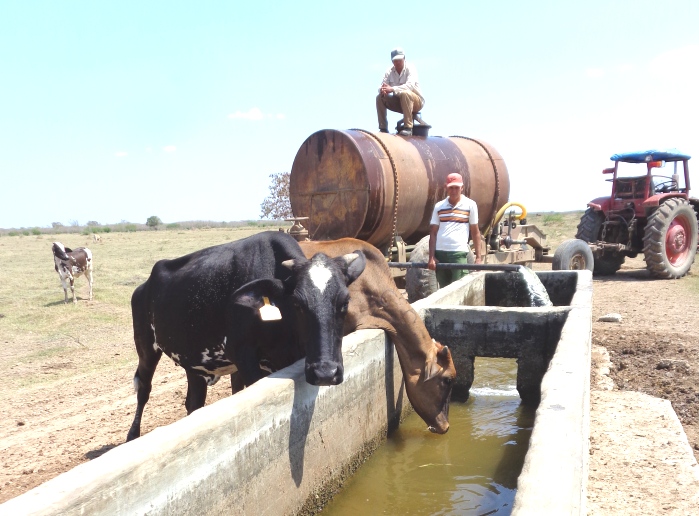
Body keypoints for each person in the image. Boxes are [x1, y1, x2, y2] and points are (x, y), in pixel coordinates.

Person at [428, 173, 482, 288]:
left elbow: (475, 232)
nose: (453, 191)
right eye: (451, 187)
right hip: (440, 253)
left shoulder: (470, 205)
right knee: (444, 290)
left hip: (458, 253)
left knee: (459, 288)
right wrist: (431, 257)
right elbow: (433, 232)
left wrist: (478, 258)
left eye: (456, 188)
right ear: (445, 187)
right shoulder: (439, 206)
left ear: (462, 188)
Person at [376, 47, 424, 136]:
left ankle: (408, 128)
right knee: (380, 97)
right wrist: (382, 90)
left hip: (416, 102)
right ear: (392, 61)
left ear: (404, 58)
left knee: (405, 93)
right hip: (399, 102)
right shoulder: (389, 71)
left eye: (399, 60)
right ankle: (383, 128)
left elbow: (410, 86)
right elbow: (382, 85)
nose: (397, 62)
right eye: (395, 60)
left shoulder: (411, 68)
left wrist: (392, 89)